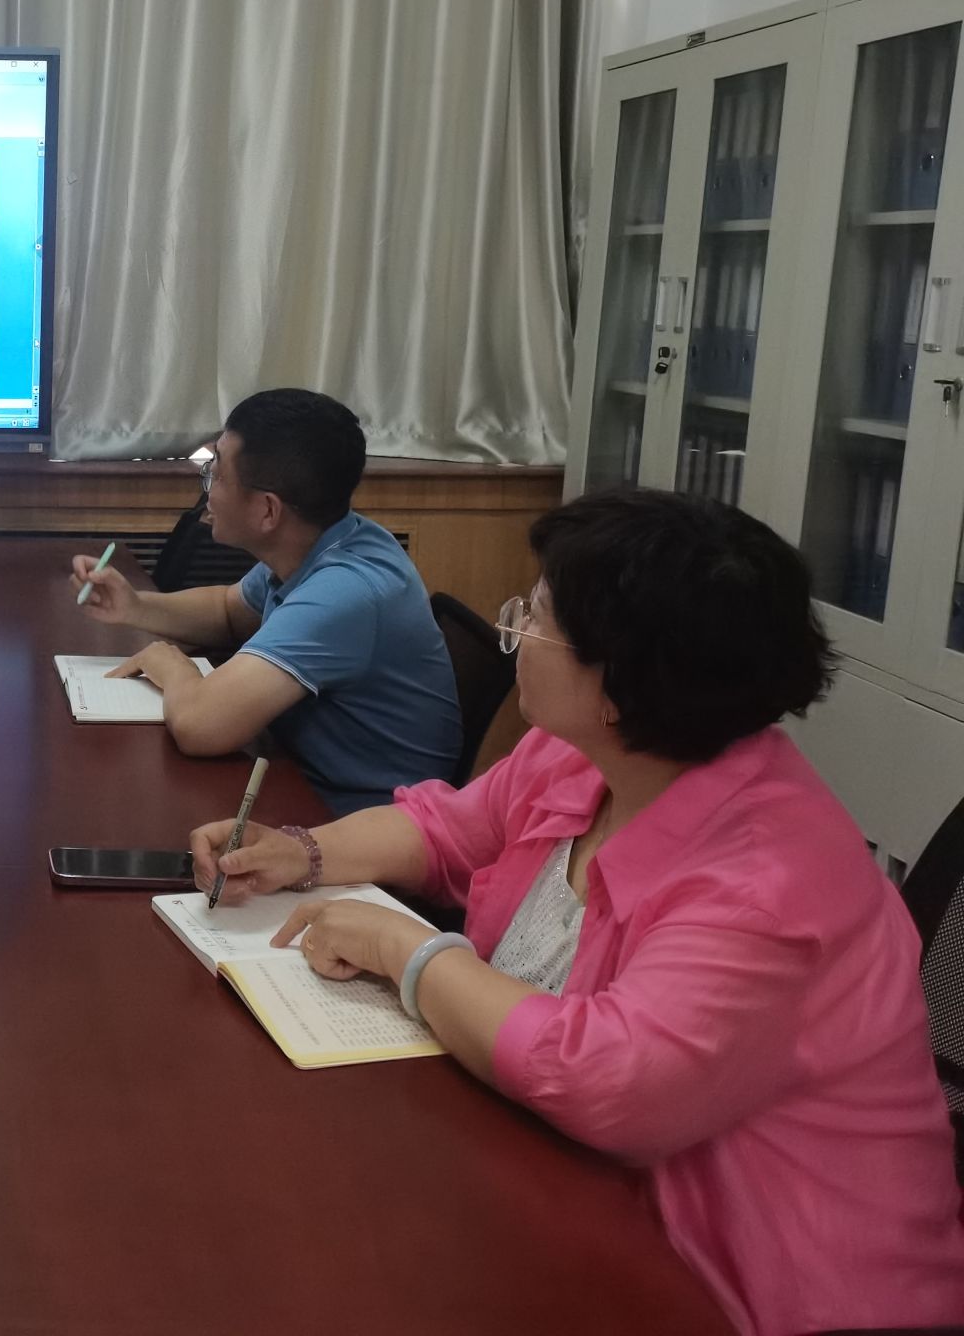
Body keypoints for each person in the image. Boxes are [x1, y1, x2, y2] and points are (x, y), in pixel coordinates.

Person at [190, 488, 964, 1335]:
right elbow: (447, 830)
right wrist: (300, 852)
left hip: (751, 1287)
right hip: (561, 1189)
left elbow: (609, 1079)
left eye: (538, 616)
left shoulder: (768, 882)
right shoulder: (587, 755)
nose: (515, 629)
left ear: (621, 684)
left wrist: (409, 952)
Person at [71, 388, 461, 812]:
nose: (208, 491)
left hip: (358, 817)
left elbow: (201, 725)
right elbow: (227, 611)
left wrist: (171, 665)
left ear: (268, 511)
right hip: (301, 778)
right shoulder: (326, 539)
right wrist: (135, 606)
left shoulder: (346, 591)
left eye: (217, 474)